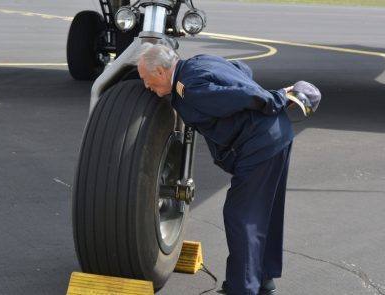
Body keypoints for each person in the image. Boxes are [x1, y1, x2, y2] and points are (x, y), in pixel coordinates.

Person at [137, 43, 319, 295]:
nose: (146, 86)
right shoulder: (199, 62)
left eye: (146, 80)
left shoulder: (190, 89)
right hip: (276, 136)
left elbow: (239, 95)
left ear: (159, 71)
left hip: (259, 144)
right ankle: (263, 279)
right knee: (264, 212)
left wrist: (277, 98)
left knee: (242, 216)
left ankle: (242, 289)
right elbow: (242, 70)